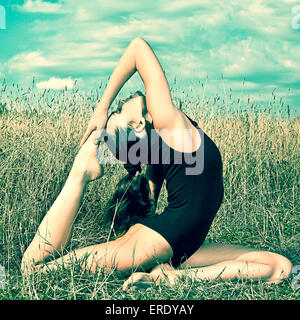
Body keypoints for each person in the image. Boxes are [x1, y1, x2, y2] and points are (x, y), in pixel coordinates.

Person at [21, 37, 292, 289]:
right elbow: (138, 47)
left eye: (115, 108)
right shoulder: (166, 123)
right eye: (119, 110)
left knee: (279, 267)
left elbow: (148, 202)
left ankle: (172, 276)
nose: (122, 101)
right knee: (33, 270)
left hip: (182, 245)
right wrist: (102, 108)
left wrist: (174, 269)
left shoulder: (163, 147)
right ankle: (80, 172)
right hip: (155, 243)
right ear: (138, 125)